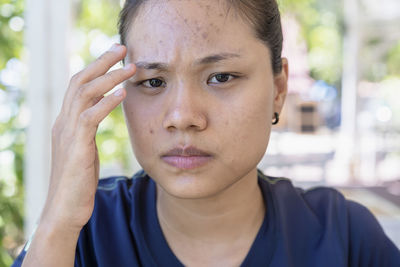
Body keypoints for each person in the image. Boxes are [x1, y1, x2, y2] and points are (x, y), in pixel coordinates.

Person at [12, 0, 400, 266]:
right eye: (152, 81)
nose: (182, 117)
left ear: (278, 90)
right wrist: (57, 222)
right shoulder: (84, 236)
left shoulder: (343, 238)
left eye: (221, 77)